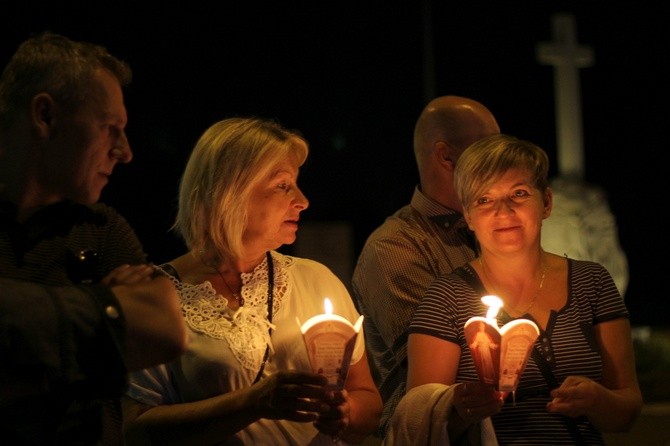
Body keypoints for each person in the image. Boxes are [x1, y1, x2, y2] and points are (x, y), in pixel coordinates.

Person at [122, 117, 382, 445]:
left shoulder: (316, 280)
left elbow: (369, 402)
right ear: (230, 193)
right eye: (283, 185)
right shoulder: (154, 296)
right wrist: (253, 402)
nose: (303, 200)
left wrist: (347, 413)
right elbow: (134, 430)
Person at [0, 32, 187, 444]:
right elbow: (133, 327)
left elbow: (161, 326)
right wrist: (106, 309)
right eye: (110, 128)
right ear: (45, 117)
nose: (125, 151)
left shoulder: (101, 229)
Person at [401, 134, 642, 444]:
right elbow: (418, 421)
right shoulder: (445, 298)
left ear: (546, 203)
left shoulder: (592, 283)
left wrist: (598, 400)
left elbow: (628, 411)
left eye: (519, 193)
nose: (503, 211)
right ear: (468, 216)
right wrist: (462, 409)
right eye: (484, 199)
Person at [351, 95, 500, 437]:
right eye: (488, 148)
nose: (501, 159)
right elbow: (448, 365)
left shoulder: (489, 231)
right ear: (446, 156)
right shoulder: (396, 247)